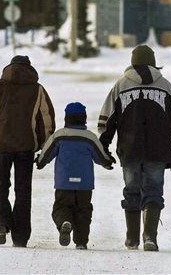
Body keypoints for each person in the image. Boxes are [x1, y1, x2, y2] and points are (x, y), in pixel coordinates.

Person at [98, 45, 171, 252]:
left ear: (132, 62)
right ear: (154, 62)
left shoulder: (120, 86)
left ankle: (132, 239)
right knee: (154, 191)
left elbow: (106, 121)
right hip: (159, 151)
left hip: (129, 150)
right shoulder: (166, 87)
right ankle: (150, 237)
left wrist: (104, 148)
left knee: (131, 191)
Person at [0, 55, 55, 247]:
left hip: (1, 145)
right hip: (26, 147)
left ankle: (0, 223)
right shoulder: (37, 89)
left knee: (1, 186)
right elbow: (46, 121)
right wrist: (44, 146)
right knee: (23, 190)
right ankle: (20, 237)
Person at [36, 102, 115, 250]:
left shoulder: (59, 136)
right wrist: (108, 162)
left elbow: (46, 154)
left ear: (67, 118)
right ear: (84, 118)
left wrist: (40, 162)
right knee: (84, 211)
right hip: (84, 184)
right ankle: (81, 242)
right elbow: (101, 157)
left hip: (63, 183)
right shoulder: (89, 137)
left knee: (61, 207)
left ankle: (65, 222)